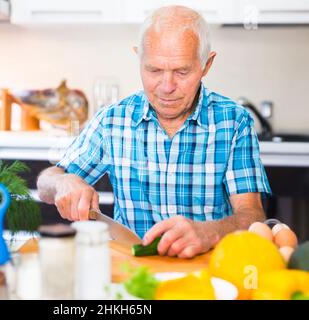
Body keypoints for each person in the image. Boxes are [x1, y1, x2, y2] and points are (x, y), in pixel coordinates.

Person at [37, 5, 271, 258]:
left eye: (182, 71)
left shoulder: (234, 121)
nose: (167, 86)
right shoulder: (112, 120)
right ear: (139, 58)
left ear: (206, 64)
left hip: (208, 272)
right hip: (134, 272)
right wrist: (62, 182)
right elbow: (46, 183)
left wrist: (209, 232)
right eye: (154, 70)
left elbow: (253, 218)